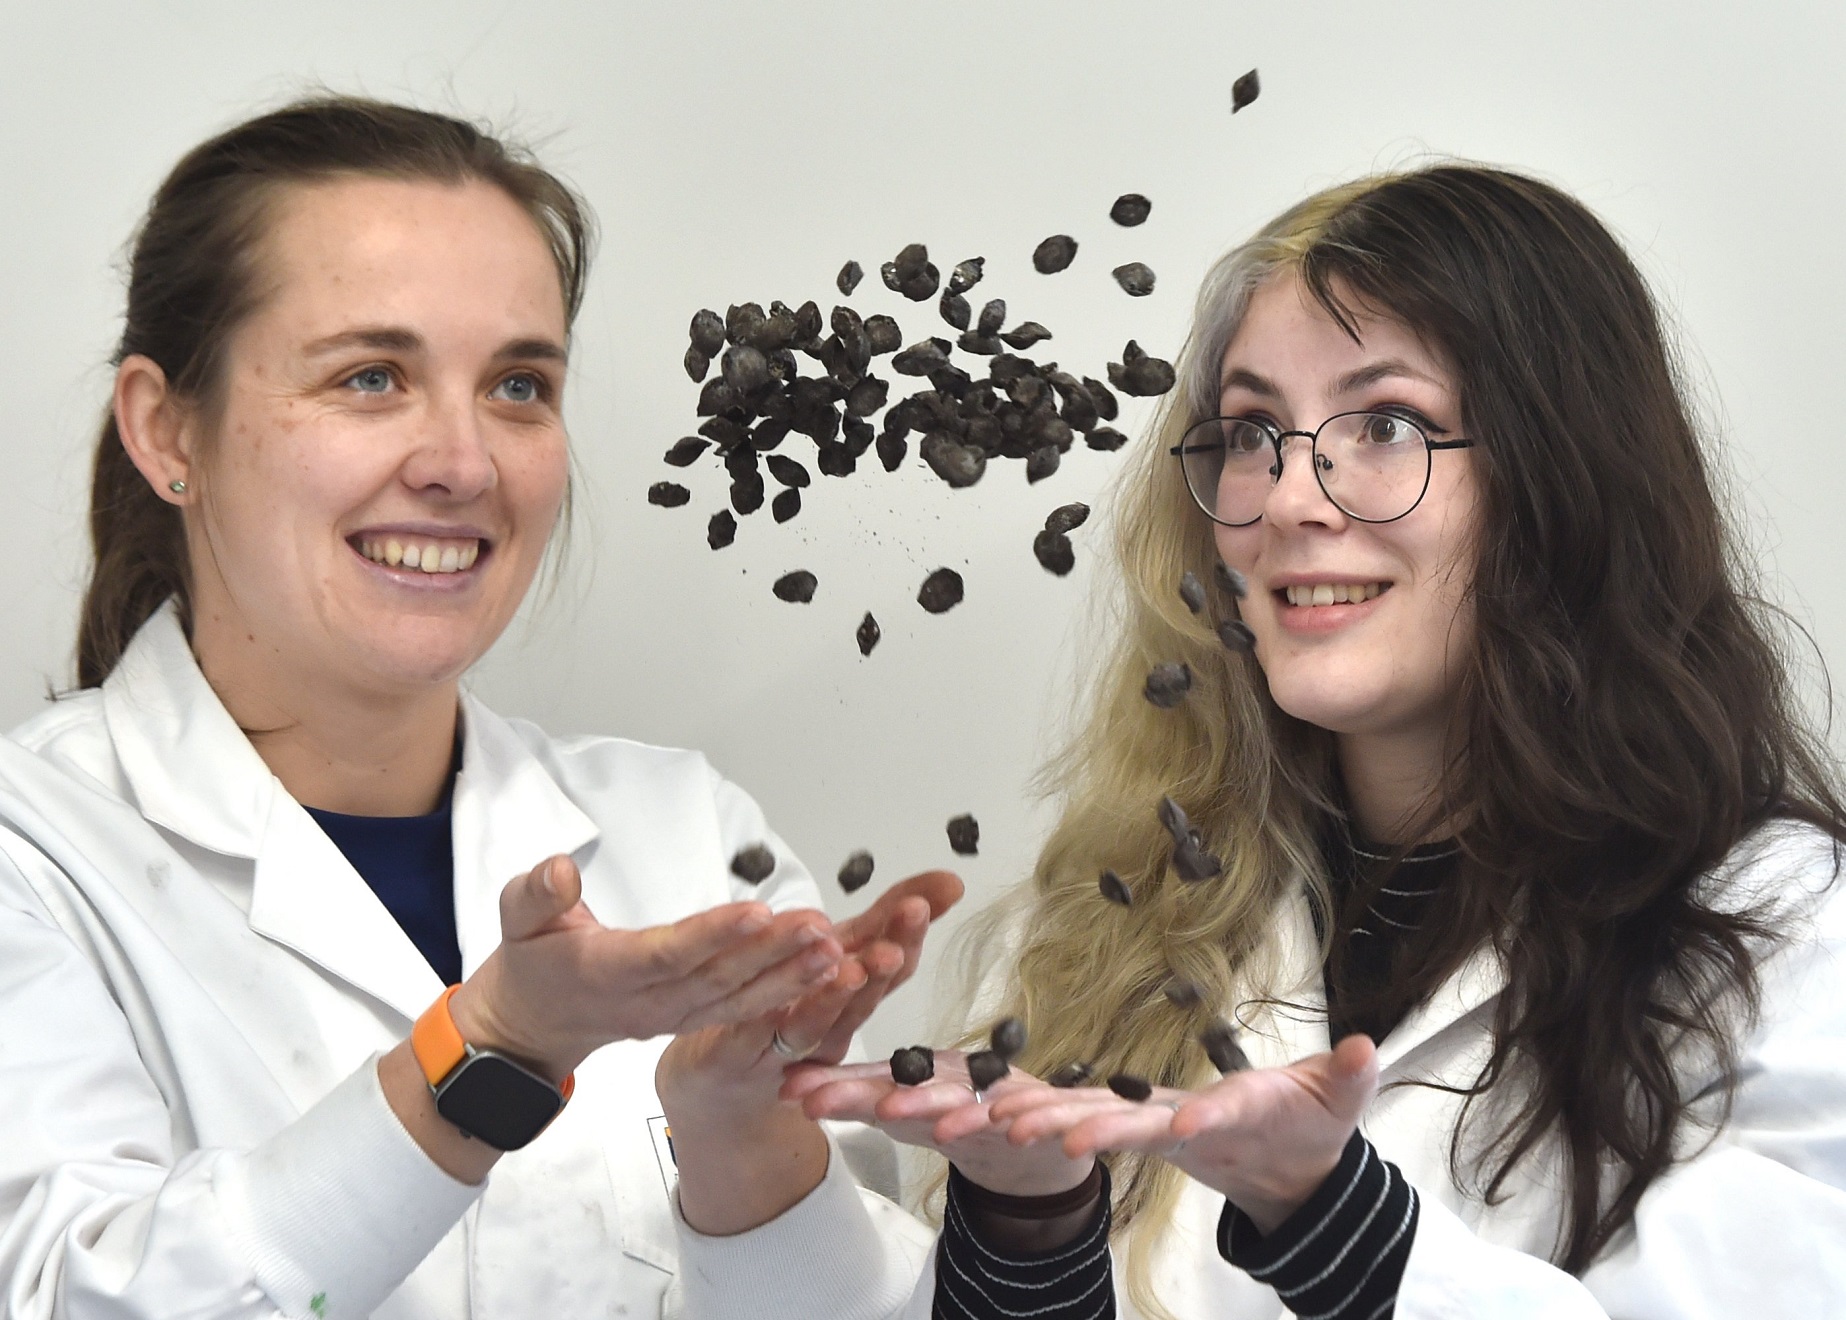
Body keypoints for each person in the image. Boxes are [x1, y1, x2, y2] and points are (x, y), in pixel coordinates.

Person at [788, 165, 1846, 1318]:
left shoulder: (1793, 946)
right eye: (1250, 433)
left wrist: (1330, 1220)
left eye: (1386, 424)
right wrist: (1029, 1236)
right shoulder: (1092, 939)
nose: (1291, 497)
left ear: (1567, 481)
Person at [0, 95, 956, 1319]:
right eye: (371, 376)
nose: (462, 462)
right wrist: (492, 1048)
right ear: (164, 428)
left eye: (516, 384)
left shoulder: (690, 839)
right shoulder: (37, 855)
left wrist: (740, 1142)